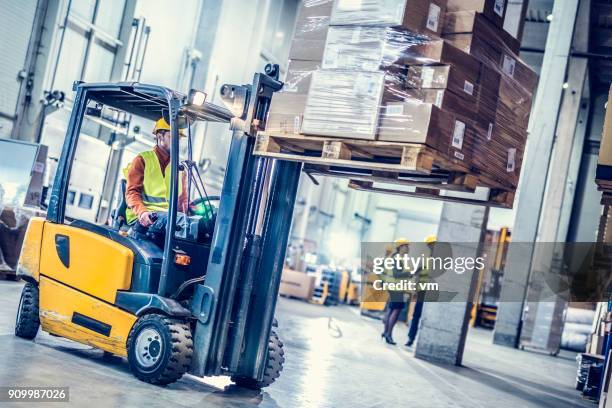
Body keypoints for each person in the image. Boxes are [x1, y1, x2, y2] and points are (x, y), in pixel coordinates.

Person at [125, 118, 188, 242]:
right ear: (160, 136)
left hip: (167, 220)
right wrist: (142, 213)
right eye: (172, 137)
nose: (177, 142)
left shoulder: (180, 169)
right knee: (184, 223)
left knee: (201, 225)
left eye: (179, 138)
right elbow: (132, 193)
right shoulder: (143, 160)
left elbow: (182, 202)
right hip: (144, 218)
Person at [405, 234, 436, 348]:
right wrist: (414, 290)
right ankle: (411, 338)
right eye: (430, 245)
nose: (432, 247)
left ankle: (427, 342)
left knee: (430, 318)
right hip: (422, 291)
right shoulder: (425, 259)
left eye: (433, 244)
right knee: (416, 315)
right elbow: (416, 275)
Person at [381, 238, 411, 345]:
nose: (408, 248)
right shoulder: (398, 258)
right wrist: (409, 274)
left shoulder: (399, 257)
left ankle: (385, 332)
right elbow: (396, 274)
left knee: (390, 310)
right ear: (401, 247)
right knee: (396, 311)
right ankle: (389, 334)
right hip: (396, 287)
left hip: (395, 286)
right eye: (406, 246)